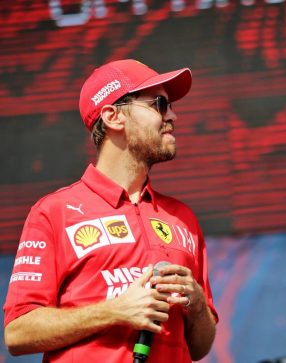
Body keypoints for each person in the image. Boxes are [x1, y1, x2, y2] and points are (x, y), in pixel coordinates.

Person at [3, 59, 218, 362]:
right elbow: (17, 333)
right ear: (113, 116)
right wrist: (116, 311)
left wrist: (196, 304)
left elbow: (201, 347)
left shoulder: (183, 218)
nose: (173, 115)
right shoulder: (53, 212)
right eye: (159, 104)